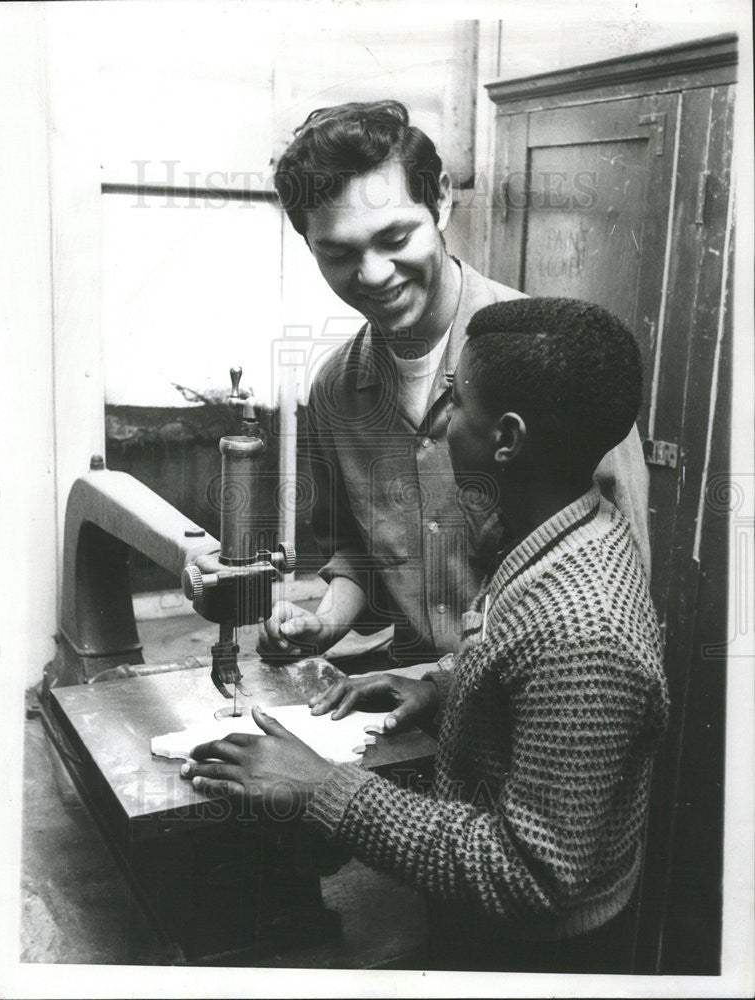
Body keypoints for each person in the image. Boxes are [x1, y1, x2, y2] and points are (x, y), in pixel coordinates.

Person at [180, 297, 669, 972]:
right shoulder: (555, 535)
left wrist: (324, 789)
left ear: (507, 439)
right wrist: (443, 689)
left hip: (543, 959)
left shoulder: (584, 627)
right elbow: (520, 676)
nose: (438, 422)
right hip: (490, 930)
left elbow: (528, 876)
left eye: (457, 402)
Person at [258, 99, 650, 666]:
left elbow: (619, 577)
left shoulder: (551, 360)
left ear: (440, 199)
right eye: (338, 253)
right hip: (404, 701)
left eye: (394, 239)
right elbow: (356, 550)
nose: (372, 275)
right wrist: (325, 622)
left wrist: (443, 682)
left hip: (534, 706)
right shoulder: (335, 392)